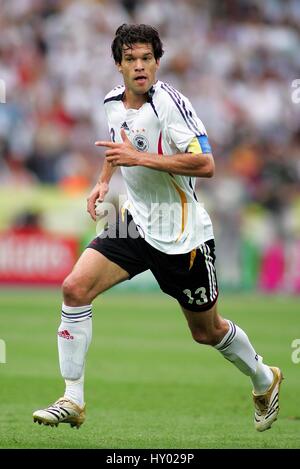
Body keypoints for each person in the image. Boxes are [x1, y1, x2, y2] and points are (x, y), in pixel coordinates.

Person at [33, 23, 283, 432]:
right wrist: (102, 180)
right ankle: (73, 398)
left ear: (157, 61)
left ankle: (263, 377)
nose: (139, 66)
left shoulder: (170, 104)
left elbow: (207, 164)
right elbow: (120, 144)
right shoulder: (112, 102)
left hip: (183, 236)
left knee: (207, 331)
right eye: (130, 59)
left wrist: (141, 160)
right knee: (74, 288)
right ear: (118, 65)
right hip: (134, 223)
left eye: (147, 58)